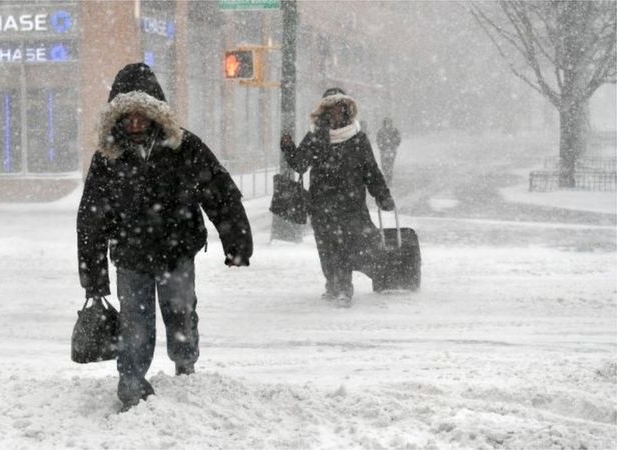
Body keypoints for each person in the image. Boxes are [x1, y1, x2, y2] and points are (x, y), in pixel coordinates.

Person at [77, 63, 253, 411]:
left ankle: (185, 365)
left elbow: (219, 192)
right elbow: (91, 221)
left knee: (181, 312)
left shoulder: (184, 146)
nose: (137, 123)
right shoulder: (108, 158)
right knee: (135, 324)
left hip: (177, 251)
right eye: (128, 116)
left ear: (157, 114)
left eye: (144, 115)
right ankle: (130, 383)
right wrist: (94, 280)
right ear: (118, 118)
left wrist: (237, 243)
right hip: (131, 256)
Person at [280, 88, 394, 302]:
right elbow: (301, 164)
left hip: (351, 203)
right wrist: (289, 150)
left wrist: (382, 195)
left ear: (346, 109)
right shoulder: (315, 137)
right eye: (332, 107)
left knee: (348, 243)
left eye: (340, 107)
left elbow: (370, 170)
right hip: (322, 203)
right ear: (324, 110)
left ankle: (344, 285)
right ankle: (334, 283)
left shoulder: (358, 138)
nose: (336, 111)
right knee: (326, 246)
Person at [376, 117, 401, 184]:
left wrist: (394, 143)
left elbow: (398, 139)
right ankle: (386, 176)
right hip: (383, 150)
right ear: (384, 123)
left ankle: (389, 179)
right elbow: (378, 140)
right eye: (387, 122)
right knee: (384, 165)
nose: (388, 124)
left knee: (390, 165)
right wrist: (381, 146)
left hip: (391, 150)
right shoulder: (380, 131)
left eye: (389, 122)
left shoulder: (394, 130)